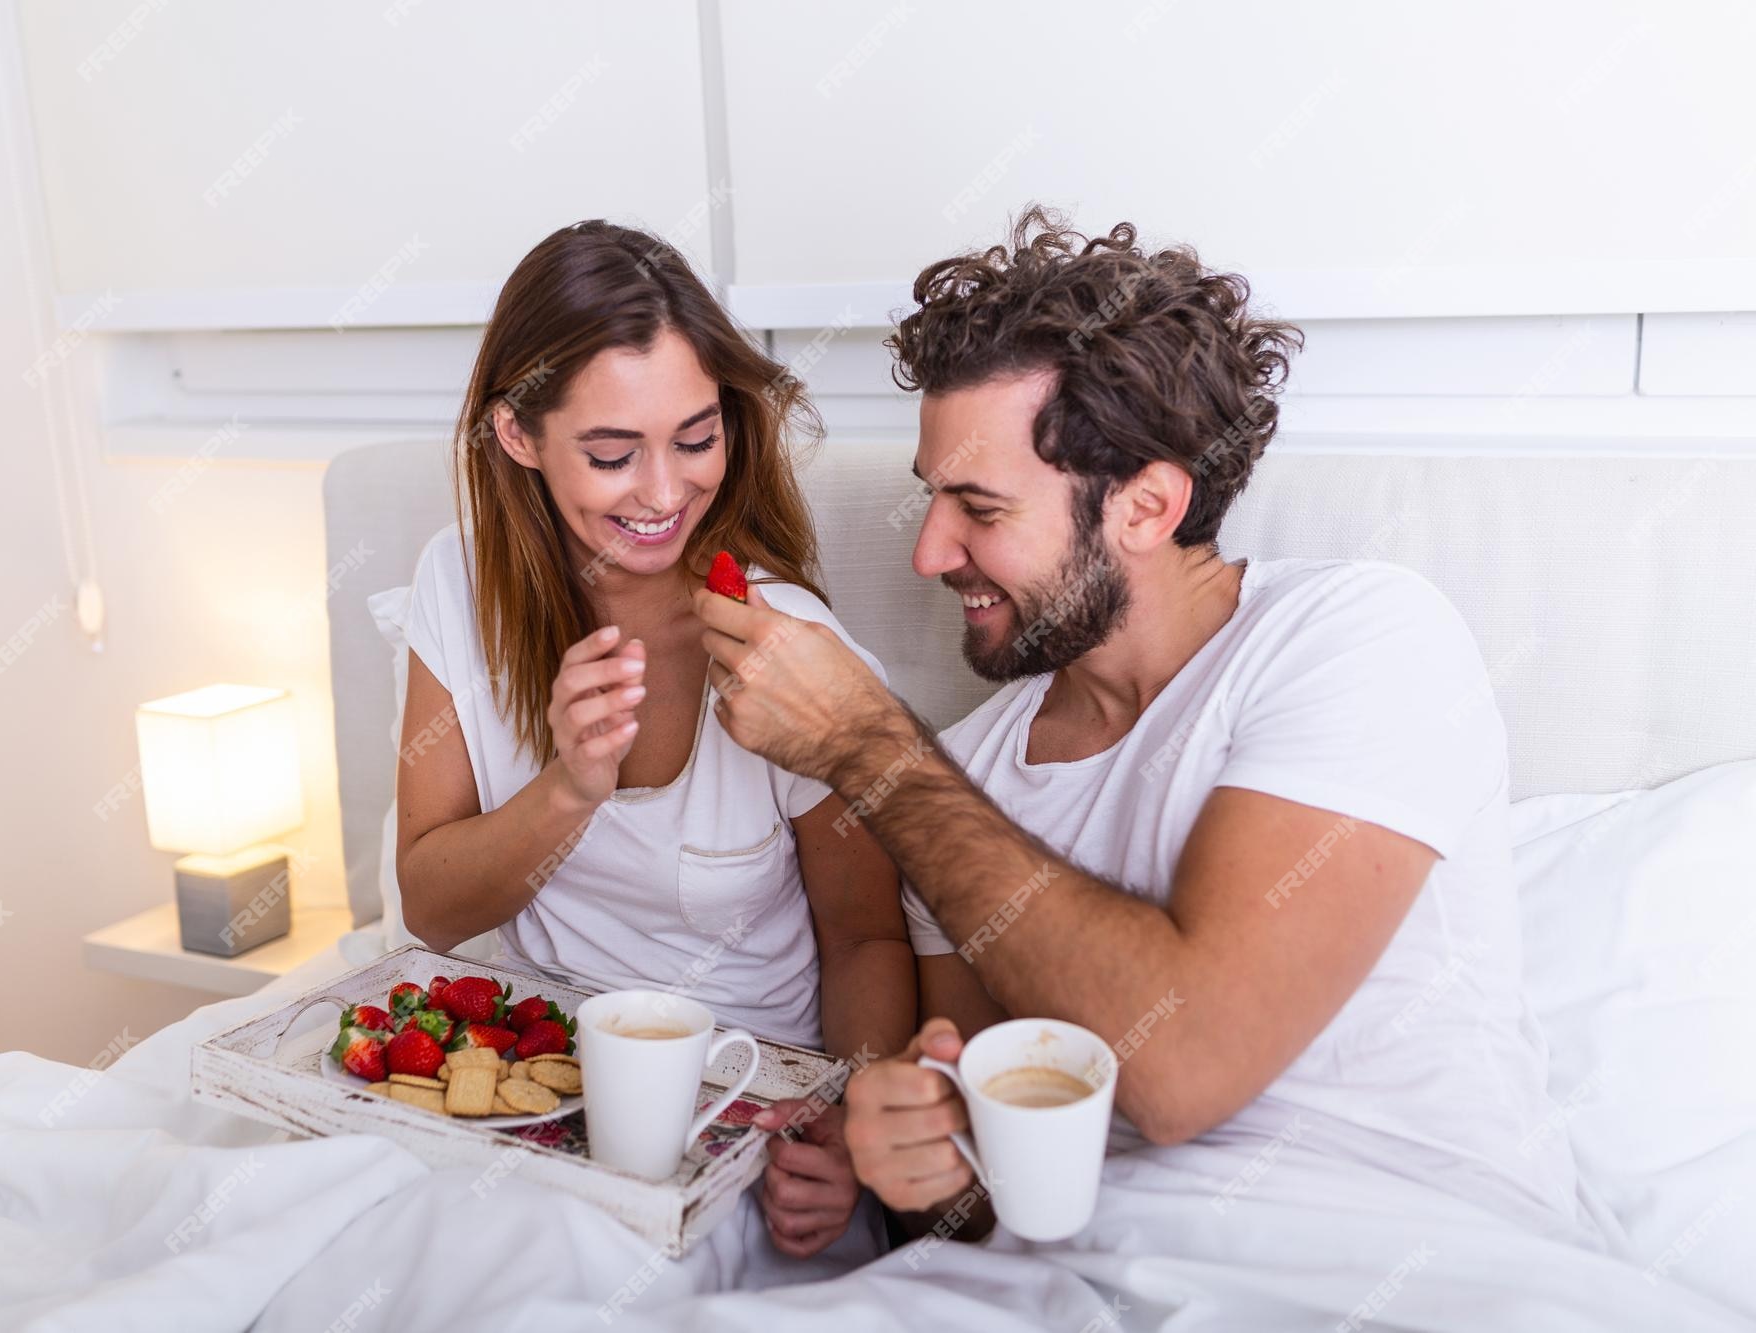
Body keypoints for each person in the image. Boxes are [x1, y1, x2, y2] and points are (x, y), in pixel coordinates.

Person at [695, 207, 1583, 1246]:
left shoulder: (1356, 640)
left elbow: (1182, 1068)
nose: (927, 554)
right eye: (930, 500)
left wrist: (865, 746)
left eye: (977, 509)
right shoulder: (966, 774)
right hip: (1075, 1283)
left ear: (1147, 507)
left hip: (1398, 1254)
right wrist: (918, 1164)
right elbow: (976, 1205)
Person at [392, 219, 914, 1257]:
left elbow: (866, 934)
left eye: (695, 436)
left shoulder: (784, 644)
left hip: (734, 1113)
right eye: (610, 453)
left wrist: (844, 1122)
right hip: (533, 1093)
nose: (665, 492)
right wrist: (563, 793)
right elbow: (432, 908)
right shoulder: (455, 586)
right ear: (516, 436)